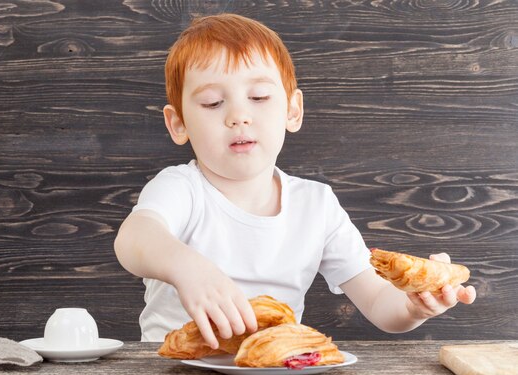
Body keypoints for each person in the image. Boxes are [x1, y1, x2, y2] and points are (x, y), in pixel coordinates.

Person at [114, 13, 476, 349]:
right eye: (212, 103)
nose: (239, 116)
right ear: (178, 124)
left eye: (258, 97)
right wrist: (187, 268)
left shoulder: (316, 205)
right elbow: (133, 239)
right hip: (173, 374)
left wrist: (414, 307)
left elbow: (380, 302)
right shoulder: (180, 188)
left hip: (274, 373)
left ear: (292, 110)